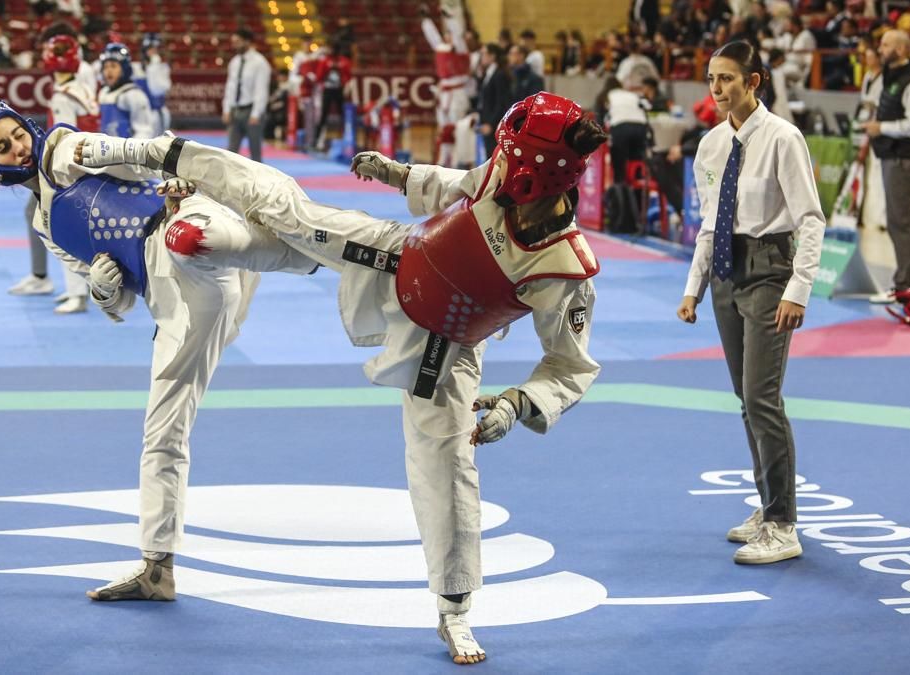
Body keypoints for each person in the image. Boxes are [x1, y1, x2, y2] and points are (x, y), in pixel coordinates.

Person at [75, 91, 605, 666]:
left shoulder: (564, 269)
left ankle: (454, 613)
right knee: (286, 208)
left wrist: (518, 405)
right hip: (398, 256)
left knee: (447, 470)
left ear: (534, 170)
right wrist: (397, 174)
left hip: (444, 347)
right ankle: (156, 154)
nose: (500, 164)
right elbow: (459, 183)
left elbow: (570, 366)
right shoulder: (504, 169)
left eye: (511, 155)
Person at [0, 99, 317, 602]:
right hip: (175, 297)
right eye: (2, 147)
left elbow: (140, 154)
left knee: (187, 236)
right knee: (162, 433)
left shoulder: (66, 150)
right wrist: (104, 289)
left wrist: (172, 168)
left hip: (186, 225)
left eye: (15, 133)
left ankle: (332, 250)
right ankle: (156, 568)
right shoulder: (44, 222)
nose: (17, 146)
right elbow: (120, 302)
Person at [676, 41, 825, 565]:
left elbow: (810, 219)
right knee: (746, 398)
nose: (716, 89)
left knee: (763, 398)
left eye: (727, 79)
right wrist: (692, 288)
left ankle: (784, 524)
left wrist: (798, 289)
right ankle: (768, 506)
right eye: (711, 79)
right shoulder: (711, 145)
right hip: (723, 273)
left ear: (753, 82)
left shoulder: (785, 138)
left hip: (769, 272)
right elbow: (709, 223)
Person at [8, 34, 101, 310]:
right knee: (44, 218)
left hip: (68, 168)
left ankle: (77, 293)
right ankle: (71, 286)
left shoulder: (63, 95)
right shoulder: (82, 87)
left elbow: (66, 137)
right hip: (89, 161)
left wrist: (56, 174)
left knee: (59, 227)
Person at [863, 29, 910, 304]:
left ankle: (907, 284)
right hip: (892, 156)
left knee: (901, 221)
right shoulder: (890, 78)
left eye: (887, 44)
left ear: (901, 50)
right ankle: (908, 283)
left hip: (905, 158)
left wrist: (882, 128)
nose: (880, 48)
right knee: (903, 220)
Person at [420, 1, 472, 166]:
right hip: (444, 93)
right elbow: (432, 37)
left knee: (457, 128)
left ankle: (458, 161)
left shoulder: (461, 50)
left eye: (450, 33)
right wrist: (426, 20)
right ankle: (443, 161)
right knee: (444, 129)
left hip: (457, 93)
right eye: (447, 33)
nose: (448, 36)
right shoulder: (441, 48)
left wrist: (449, 18)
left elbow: (457, 34)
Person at [223, 28, 271, 162]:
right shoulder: (234, 62)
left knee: (255, 152)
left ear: (247, 42)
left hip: (251, 110)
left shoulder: (260, 63)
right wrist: (226, 109)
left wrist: (256, 113)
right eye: (233, 42)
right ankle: (230, 181)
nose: (234, 45)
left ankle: (258, 182)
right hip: (235, 110)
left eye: (237, 42)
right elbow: (230, 87)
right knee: (231, 153)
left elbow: (261, 90)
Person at [97, 42, 154, 139]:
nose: (109, 71)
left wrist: (129, 152)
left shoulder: (134, 95)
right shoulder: (103, 92)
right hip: (105, 151)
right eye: (106, 67)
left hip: (125, 152)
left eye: (113, 66)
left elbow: (144, 132)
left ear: (124, 69)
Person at [601, 76, 648, 184]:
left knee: (618, 162)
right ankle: (637, 188)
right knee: (636, 160)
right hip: (640, 127)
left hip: (620, 127)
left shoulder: (606, 96)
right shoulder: (631, 95)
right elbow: (644, 108)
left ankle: (620, 188)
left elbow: (600, 118)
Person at [312, 41, 352, 153]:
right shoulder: (325, 61)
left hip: (339, 91)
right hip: (328, 91)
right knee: (323, 117)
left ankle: (346, 139)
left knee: (343, 116)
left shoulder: (344, 61)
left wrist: (346, 88)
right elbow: (319, 76)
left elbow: (349, 76)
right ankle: (316, 141)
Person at [132, 33, 172, 136]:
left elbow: (157, 89)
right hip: (140, 114)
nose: (153, 52)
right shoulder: (136, 68)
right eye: (150, 49)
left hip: (156, 113)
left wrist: (153, 67)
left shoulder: (162, 68)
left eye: (156, 49)